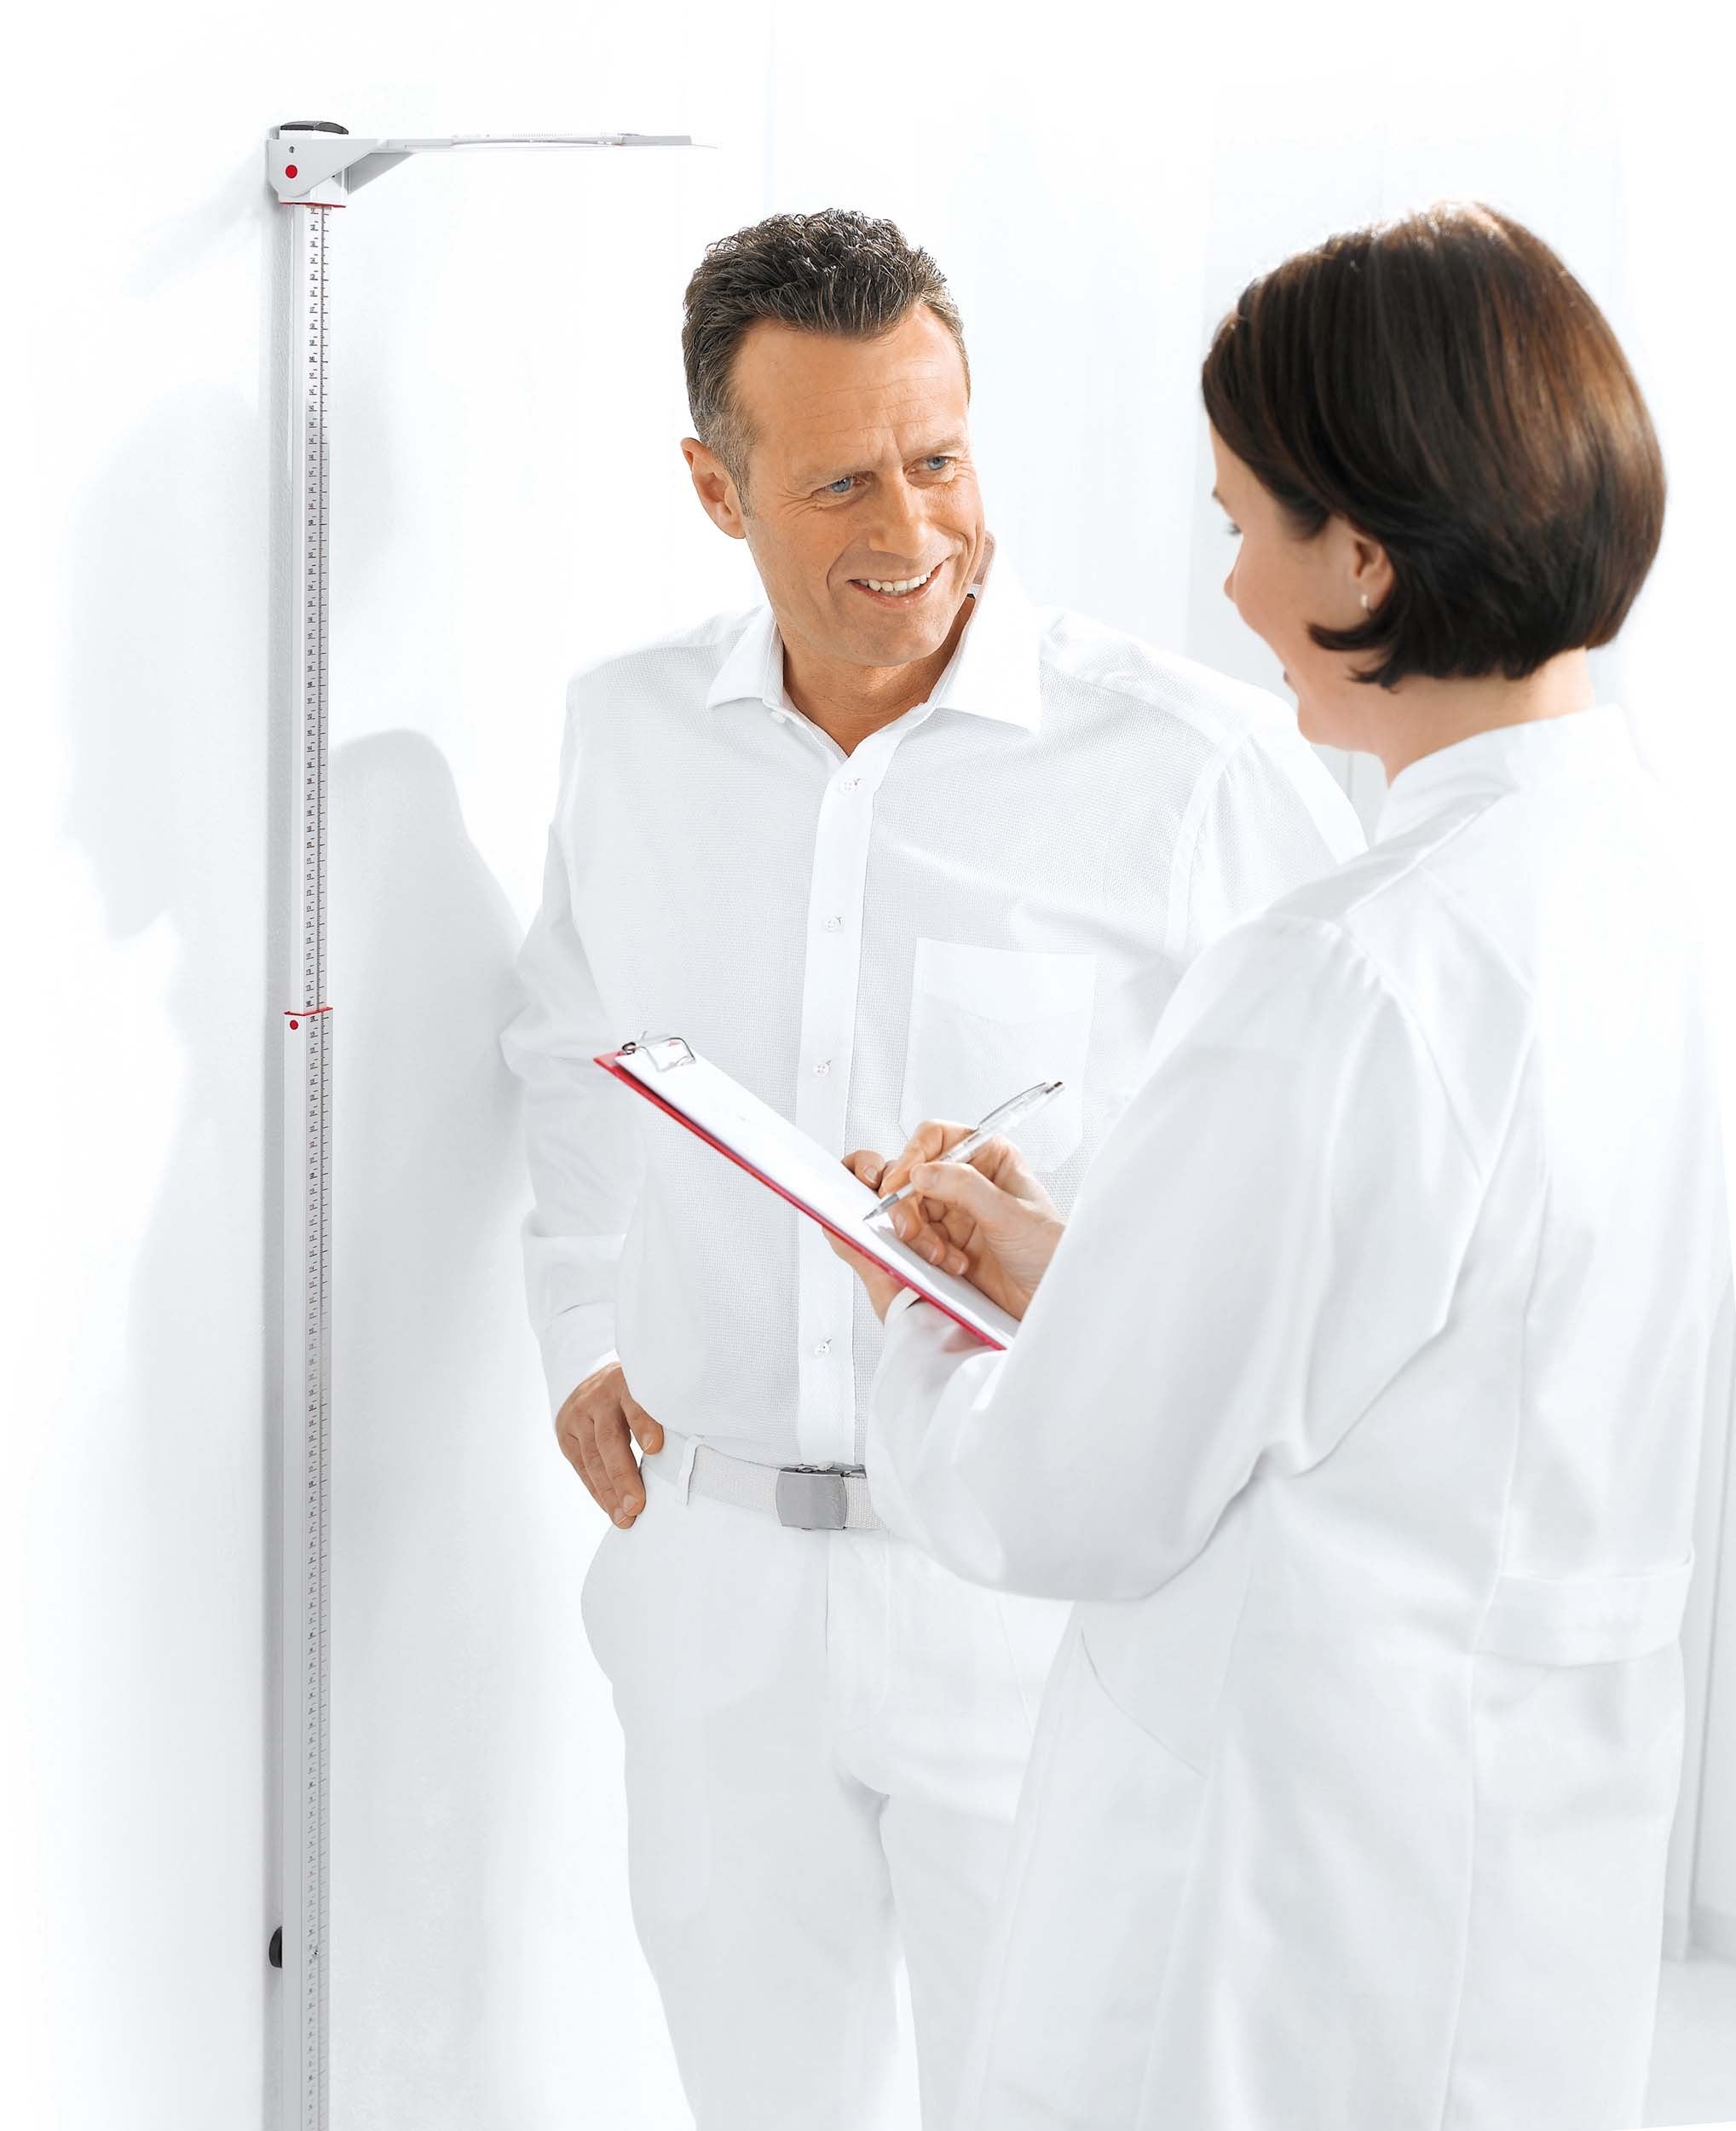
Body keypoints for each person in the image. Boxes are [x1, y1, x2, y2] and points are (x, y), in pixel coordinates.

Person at [829, 200, 1732, 2131]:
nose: (1227, 587)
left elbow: (1063, 1495)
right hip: (1529, 1850)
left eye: (1241, 524)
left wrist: (906, 1303)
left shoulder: (1344, 968)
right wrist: (1090, 1265)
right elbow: (1434, 1343)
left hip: (1269, 1894)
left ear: (1363, 559)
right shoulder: (1648, 884)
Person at [500, 209, 1362, 2129]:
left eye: (940, 457)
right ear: (714, 490)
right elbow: (566, 1050)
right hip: (714, 1594)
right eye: (838, 480)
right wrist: (579, 1330)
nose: (912, 523)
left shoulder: (1195, 768)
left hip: (1033, 1609)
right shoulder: (626, 734)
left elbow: (1328, 1162)